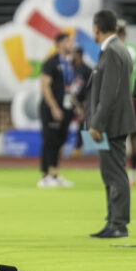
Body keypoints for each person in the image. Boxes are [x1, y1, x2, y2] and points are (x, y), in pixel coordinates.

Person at [88, 10, 136, 239]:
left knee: (115, 174)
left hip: (111, 124)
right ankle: (113, 221)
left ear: (97, 27)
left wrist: (97, 123)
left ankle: (118, 224)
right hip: (113, 122)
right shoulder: (117, 49)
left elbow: (108, 94)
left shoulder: (113, 52)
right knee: (110, 173)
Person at [37, 33, 75, 188]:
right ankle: (45, 176)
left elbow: (68, 88)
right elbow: (45, 86)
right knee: (50, 141)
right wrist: (54, 107)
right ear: (59, 44)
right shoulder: (51, 62)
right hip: (51, 109)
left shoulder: (69, 64)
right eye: (68, 41)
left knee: (60, 141)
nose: (71, 44)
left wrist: (76, 107)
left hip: (65, 108)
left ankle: (55, 175)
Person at [116, 21, 136, 186]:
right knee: (134, 139)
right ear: (126, 34)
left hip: (119, 98)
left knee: (119, 138)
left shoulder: (112, 50)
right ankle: (133, 176)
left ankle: (120, 175)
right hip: (135, 99)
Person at [71, 47, 92, 155]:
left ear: (79, 55)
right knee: (63, 123)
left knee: (82, 123)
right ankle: (59, 147)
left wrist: (85, 103)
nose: (72, 56)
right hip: (70, 101)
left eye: (74, 53)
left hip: (82, 102)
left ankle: (78, 148)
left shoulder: (87, 70)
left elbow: (90, 87)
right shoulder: (70, 67)